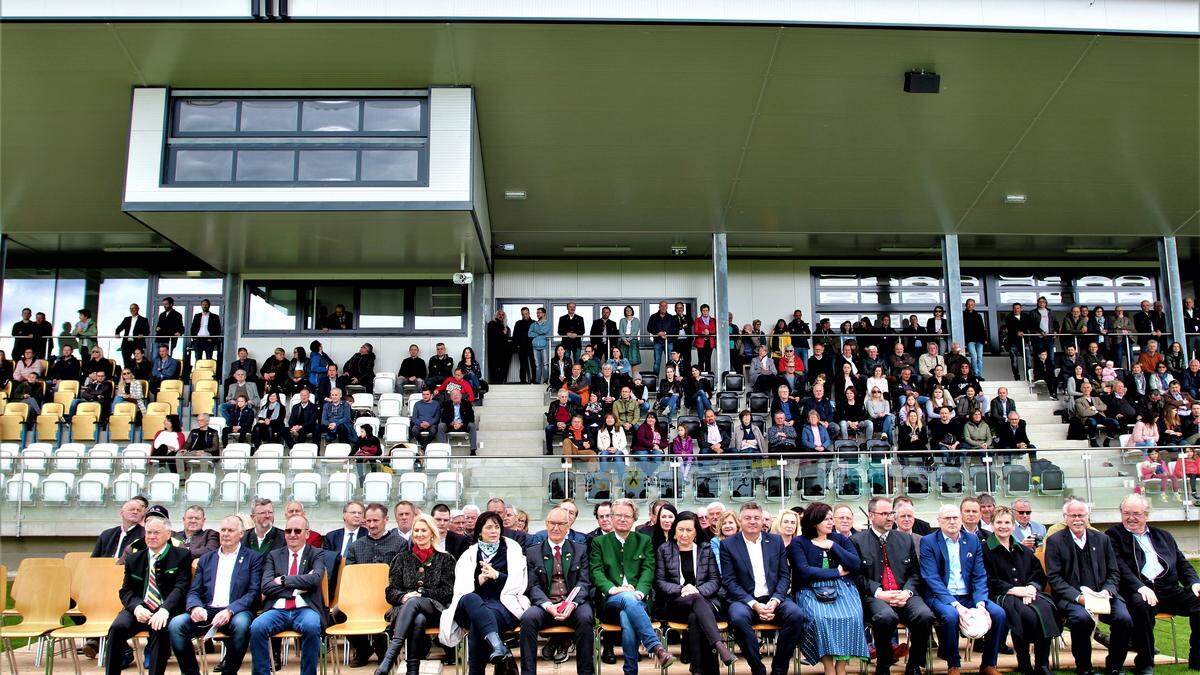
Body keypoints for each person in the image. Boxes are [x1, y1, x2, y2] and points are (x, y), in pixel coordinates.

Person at [1106, 493, 1200, 673]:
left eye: (1136, 514)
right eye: (1126, 513)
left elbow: (1182, 563)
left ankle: (1197, 658)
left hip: (1168, 589)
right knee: (1142, 605)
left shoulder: (1163, 535)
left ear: (1147, 515)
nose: (1130, 518)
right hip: (1136, 590)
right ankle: (1145, 663)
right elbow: (1119, 566)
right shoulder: (1113, 535)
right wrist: (1140, 587)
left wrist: (1194, 582)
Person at [1043, 498, 1132, 675]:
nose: (1077, 519)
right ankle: (1084, 668)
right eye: (1073, 515)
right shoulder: (1055, 541)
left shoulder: (1102, 539)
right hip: (1072, 598)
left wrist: (1108, 591)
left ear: (1087, 516)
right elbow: (1054, 577)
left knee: (1124, 619)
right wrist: (1079, 598)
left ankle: (1114, 666)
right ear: (1065, 518)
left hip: (1103, 595)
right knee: (1081, 619)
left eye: (1081, 515)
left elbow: (1114, 572)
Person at [719, 501, 807, 675]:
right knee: (737, 618)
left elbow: (784, 576)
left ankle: (779, 668)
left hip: (774, 598)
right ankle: (757, 668)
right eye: (748, 518)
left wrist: (774, 600)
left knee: (796, 615)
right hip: (744, 600)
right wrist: (754, 604)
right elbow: (729, 582)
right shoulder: (728, 545)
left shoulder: (775, 541)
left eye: (757, 518)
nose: (752, 521)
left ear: (762, 521)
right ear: (740, 521)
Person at [168, 515, 261, 675]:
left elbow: (253, 593)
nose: (225, 534)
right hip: (207, 609)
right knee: (176, 625)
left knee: (241, 625)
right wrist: (195, 607)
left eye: (230, 530)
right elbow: (194, 590)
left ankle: (229, 672)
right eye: (223, 530)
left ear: (241, 534)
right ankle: (191, 672)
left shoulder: (253, 558)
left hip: (236, 611)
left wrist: (230, 610)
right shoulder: (206, 559)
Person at [919, 503, 1006, 675]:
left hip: (969, 595)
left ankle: (989, 664)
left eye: (955, 517)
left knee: (998, 613)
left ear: (961, 519)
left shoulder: (972, 540)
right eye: (947, 518)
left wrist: (980, 603)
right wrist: (957, 606)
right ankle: (954, 665)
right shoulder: (928, 541)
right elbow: (931, 578)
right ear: (939, 521)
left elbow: (980, 575)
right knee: (951, 616)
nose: (952, 521)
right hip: (940, 595)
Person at [587, 498, 673, 670]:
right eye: (618, 515)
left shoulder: (644, 541)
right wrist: (614, 589)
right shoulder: (599, 543)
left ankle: (631, 670)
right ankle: (655, 646)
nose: (622, 519)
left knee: (628, 617)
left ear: (634, 518)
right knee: (626, 599)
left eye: (627, 515)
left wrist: (639, 592)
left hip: (638, 599)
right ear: (611, 517)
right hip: (610, 601)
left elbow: (648, 570)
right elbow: (596, 572)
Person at [105, 506, 193, 675]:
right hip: (139, 608)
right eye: (148, 533)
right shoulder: (133, 559)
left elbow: (181, 587)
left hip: (167, 608)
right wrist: (137, 607)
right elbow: (126, 591)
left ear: (168, 535)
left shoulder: (181, 555)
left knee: (160, 630)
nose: (151, 537)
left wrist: (165, 609)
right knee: (117, 628)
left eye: (156, 533)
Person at [440, 511, 530, 674]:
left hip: (502, 605)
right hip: (471, 607)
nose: (494, 531)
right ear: (479, 531)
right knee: (471, 598)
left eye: (496, 527)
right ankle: (499, 647)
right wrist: (478, 580)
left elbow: (519, 582)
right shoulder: (469, 553)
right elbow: (461, 587)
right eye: (488, 527)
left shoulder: (511, 550)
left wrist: (497, 576)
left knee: (479, 623)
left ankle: (489, 657)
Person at [851, 496, 932, 675]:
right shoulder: (857, 541)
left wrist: (908, 592)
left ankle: (914, 665)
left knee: (925, 615)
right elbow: (857, 577)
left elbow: (915, 573)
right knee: (885, 617)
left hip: (904, 593)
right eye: (884, 514)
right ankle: (884, 664)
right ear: (871, 515)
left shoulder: (905, 539)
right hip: (875, 596)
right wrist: (879, 593)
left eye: (891, 513)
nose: (890, 518)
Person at [790, 502, 868, 675]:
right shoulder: (799, 542)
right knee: (820, 618)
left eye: (831, 518)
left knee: (852, 616)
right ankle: (828, 667)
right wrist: (836, 572)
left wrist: (833, 547)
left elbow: (855, 564)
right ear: (814, 521)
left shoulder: (839, 539)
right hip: (810, 589)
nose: (831, 522)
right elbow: (804, 571)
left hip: (842, 589)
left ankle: (841, 668)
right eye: (826, 519)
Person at [653, 509, 735, 673]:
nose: (684, 534)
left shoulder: (705, 550)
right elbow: (660, 582)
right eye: (680, 529)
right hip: (677, 603)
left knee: (695, 616)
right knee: (695, 601)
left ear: (696, 532)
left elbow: (715, 580)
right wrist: (682, 589)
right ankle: (719, 646)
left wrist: (697, 590)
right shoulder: (664, 550)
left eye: (689, 530)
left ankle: (697, 668)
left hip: (706, 603)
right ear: (674, 530)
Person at [980, 506, 1060, 675]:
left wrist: (1031, 588)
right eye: (999, 522)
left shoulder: (1023, 550)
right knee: (1024, 613)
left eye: (1007, 522)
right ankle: (1024, 663)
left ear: (1013, 525)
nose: (1003, 526)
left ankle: (1042, 665)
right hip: (1001, 595)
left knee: (1046, 609)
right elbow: (986, 579)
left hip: (1028, 592)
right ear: (992, 525)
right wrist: (1014, 590)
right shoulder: (985, 551)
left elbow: (1037, 573)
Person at [372, 512, 454, 675]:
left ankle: (390, 655)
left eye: (424, 530)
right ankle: (412, 671)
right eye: (416, 531)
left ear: (432, 533)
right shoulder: (401, 558)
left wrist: (421, 593)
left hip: (435, 609)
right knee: (418, 619)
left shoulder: (446, 559)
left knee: (415, 602)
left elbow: (448, 592)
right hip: (404, 611)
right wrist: (403, 597)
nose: (419, 534)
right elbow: (391, 592)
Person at [518, 506, 595, 674]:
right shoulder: (533, 552)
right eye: (552, 523)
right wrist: (547, 605)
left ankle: (586, 672)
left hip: (573, 605)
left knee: (586, 617)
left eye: (561, 524)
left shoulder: (579, 550)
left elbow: (583, 582)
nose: (556, 528)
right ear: (546, 524)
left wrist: (572, 604)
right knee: (528, 618)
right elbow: (533, 586)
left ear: (568, 526)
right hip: (546, 606)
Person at [249, 515, 327, 675]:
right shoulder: (274, 555)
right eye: (288, 530)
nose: (292, 534)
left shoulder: (316, 554)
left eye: (297, 531)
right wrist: (298, 587)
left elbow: (315, 579)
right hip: (277, 610)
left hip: (305, 608)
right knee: (257, 627)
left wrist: (283, 580)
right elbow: (266, 586)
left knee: (312, 626)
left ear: (307, 534)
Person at [437, 388, 478, 455]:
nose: (455, 396)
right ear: (450, 397)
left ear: (461, 396)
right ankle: (443, 450)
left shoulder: (467, 403)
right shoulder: (446, 404)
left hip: (463, 425)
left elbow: (471, 418)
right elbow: (444, 418)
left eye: (457, 394)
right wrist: (452, 423)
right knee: (441, 426)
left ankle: (473, 450)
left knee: (472, 425)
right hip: (451, 425)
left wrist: (461, 424)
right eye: (453, 395)